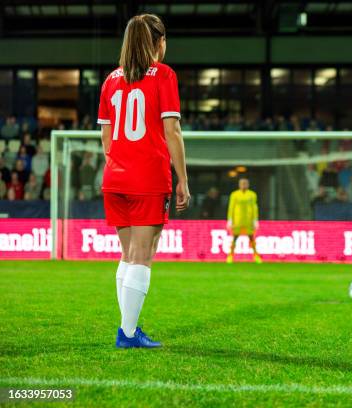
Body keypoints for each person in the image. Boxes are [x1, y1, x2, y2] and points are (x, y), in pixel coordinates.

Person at [97, 14, 190, 348]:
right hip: (147, 176)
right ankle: (129, 333)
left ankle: (129, 328)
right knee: (142, 254)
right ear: (159, 41)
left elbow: (106, 138)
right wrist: (183, 179)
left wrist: (119, 163)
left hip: (115, 177)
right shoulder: (163, 75)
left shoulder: (110, 80)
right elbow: (172, 130)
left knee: (127, 255)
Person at [226, 177, 261, 264]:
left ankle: (256, 256)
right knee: (235, 238)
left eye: (245, 183)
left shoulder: (252, 195)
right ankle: (230, 255)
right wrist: (230, 220)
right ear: (239, 184)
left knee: (252, 238)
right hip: (237, 220)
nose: (243, 185)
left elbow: (254, 208)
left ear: (248, 184)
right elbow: (231, 207)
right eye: (242, 183)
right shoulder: (234, 194)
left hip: (248, 220)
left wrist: (255, 220)